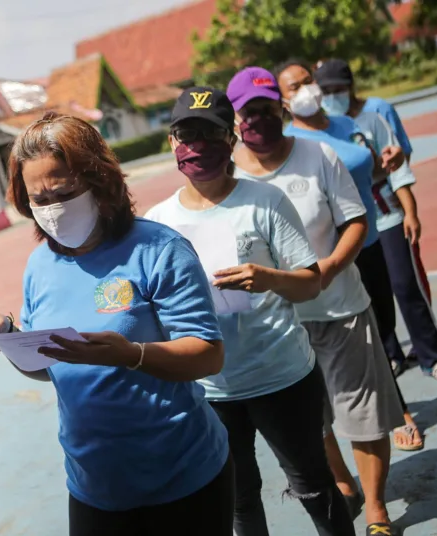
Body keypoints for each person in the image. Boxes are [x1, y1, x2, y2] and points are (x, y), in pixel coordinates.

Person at [0, 112, 234, 536]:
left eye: (63, 193)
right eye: (38, 200)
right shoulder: (40, 265)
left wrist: (131, 355)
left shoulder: (159, 249)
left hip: (182, 477)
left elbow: (208, 354)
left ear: (100, 182)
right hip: (95, 487)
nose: (52, 209)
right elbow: (47, 367)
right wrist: (7, 338)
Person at [144, 87, 354, 536]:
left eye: (209, 133)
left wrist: (268, 278)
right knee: (237, 500)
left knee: (315, 488)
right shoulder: (158, 224)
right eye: (185, 132)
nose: (196, 144)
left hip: (282, 377)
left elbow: (310, 283)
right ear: (171, 141)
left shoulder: (265, 201)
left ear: (230, 138)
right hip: (211, 389)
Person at [232, 64, 404, 536]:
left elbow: (356, 222)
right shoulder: (226, 177)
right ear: (234, 120)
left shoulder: (319, 155)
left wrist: (326, 271)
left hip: (340, 308)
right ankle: (344, 485)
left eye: (267, 109)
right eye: (248, 112)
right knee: (314, 422)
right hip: (279, 326)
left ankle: (375, 510)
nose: (258, 120)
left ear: (281, 109)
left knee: (364, 413)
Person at [273, 60, 422, 453]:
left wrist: (389, 163)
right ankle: (399, 415)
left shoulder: (347, 126)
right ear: (283, 101)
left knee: (385, 329)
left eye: (308, 81)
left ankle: (389, 404)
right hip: (329, 256)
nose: (306, 89)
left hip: (369, 241)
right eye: (294, 86)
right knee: (353, 341)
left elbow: (370, 172)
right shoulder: (288, 142)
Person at [316, 58, 437, 383]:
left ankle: (431, 354)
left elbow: (397, 167)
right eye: (325, 91)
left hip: (388, 216)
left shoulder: (371, 119)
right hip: (352, 226)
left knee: (404, 284)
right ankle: (390, 355)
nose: (332, 96)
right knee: (371, 293)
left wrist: (410, 211)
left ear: (351, 87)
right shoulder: (322, 131)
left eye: (338, 89)